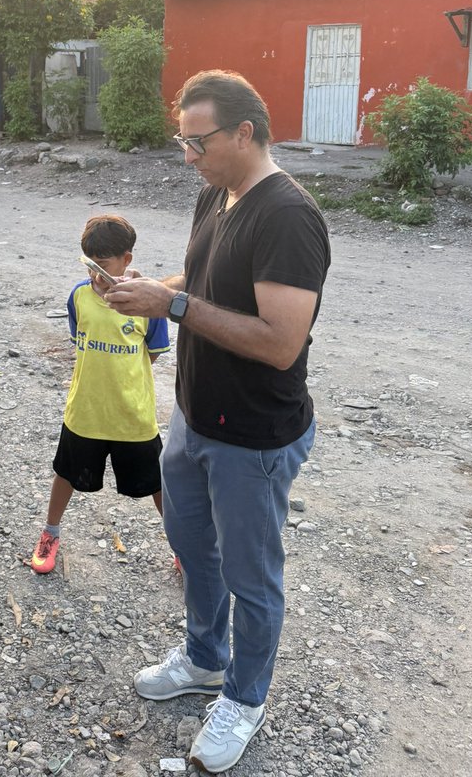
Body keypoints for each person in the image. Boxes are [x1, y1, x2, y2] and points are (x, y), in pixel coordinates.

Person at [105, 70, 330, 773]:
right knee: (194, 550)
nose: (187, 155)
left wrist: (169, 309)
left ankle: (245, 696)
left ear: (244, 132)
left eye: (197, 141)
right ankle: (205, 657)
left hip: (255, 439)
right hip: (196, 422)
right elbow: (200, 282)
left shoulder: (288, 216)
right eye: (182, 140)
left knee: (251, 575)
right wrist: (148, 289)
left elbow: (279, 340)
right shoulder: (217, 194)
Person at [31, 214, 170, 575]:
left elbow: (152, 353)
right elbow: (81, 341)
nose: (96, 276)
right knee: (64, 472)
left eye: (104, 267)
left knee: (158, 483)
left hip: (133, 416)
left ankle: (182, 546)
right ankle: (50, 533)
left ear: (127, 259)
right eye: (91, 266)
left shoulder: (149, 304)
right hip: (85, 411)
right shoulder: (78, 296)